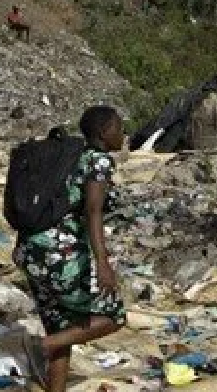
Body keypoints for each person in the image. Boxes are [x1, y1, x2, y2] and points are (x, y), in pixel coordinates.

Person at [16, 106, 127, 392]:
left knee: (64, 329)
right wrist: (102, 262)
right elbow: (93, 211)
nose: (123, 133)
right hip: (60, 256)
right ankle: (39, 345)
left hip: (32, 251)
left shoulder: (70, 155)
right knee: (113, 316)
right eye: (118, 127)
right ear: (104, 132)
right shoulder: (98, 161)